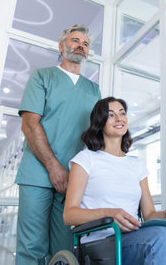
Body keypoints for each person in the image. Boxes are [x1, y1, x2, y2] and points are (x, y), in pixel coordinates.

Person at [63, 97, 166, 265]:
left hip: (134, 236)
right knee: (162, 237)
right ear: (100, 122)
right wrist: (109, 213)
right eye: (111, 115)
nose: (119, 118)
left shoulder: (136, 165)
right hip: (101, 242)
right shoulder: (86, 159)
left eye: (122, 113)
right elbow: (69, 215)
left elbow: (149, 214)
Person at [15, 24, 101, 264]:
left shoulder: (93, 89)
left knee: (65, 248)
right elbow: (30, 124)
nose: (80, 46)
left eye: (85, 44)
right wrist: (54, 167)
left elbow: (96, 134)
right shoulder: (42, 77)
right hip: (38, 174)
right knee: (31, 247)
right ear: (62, 47)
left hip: (73, 179)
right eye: (75, 41)